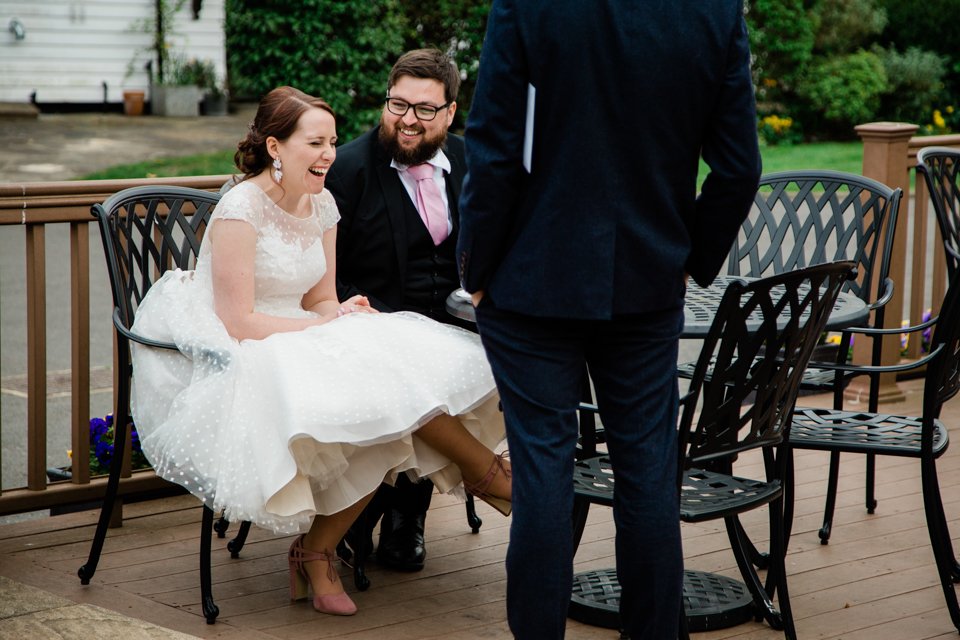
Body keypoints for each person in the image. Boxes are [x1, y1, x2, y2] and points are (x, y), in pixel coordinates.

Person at [128, 86, 511, 617]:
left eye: (332, 141)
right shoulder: (241, 209)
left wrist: (339, 312)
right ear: (275, 147)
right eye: (316, 142)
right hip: (245, 348)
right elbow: (238, 321)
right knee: (379, 397)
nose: (330, 153)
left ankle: (319, 550)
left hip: (299, 331)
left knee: (392, 384)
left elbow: (319, 298)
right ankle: (491, 480)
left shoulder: (323, 202)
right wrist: (316, 328)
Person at [457, 2, 762, 638]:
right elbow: (738, 169)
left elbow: (494, 150)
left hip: (531, 280)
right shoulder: (712, 12)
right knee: (648, 470)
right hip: (645, 283)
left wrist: (476, 270)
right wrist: (688, 259)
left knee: (543, 472)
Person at [324, 48, 468, 572]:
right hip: (368, 327)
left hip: (455, 327)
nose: (408, 120)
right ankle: (366, 510)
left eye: (425, 109)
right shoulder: (348, 169)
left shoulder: (471, 165)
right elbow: (321, 266)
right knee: (407, 376)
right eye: (398, 104)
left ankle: (408, 516)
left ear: (450, 113)